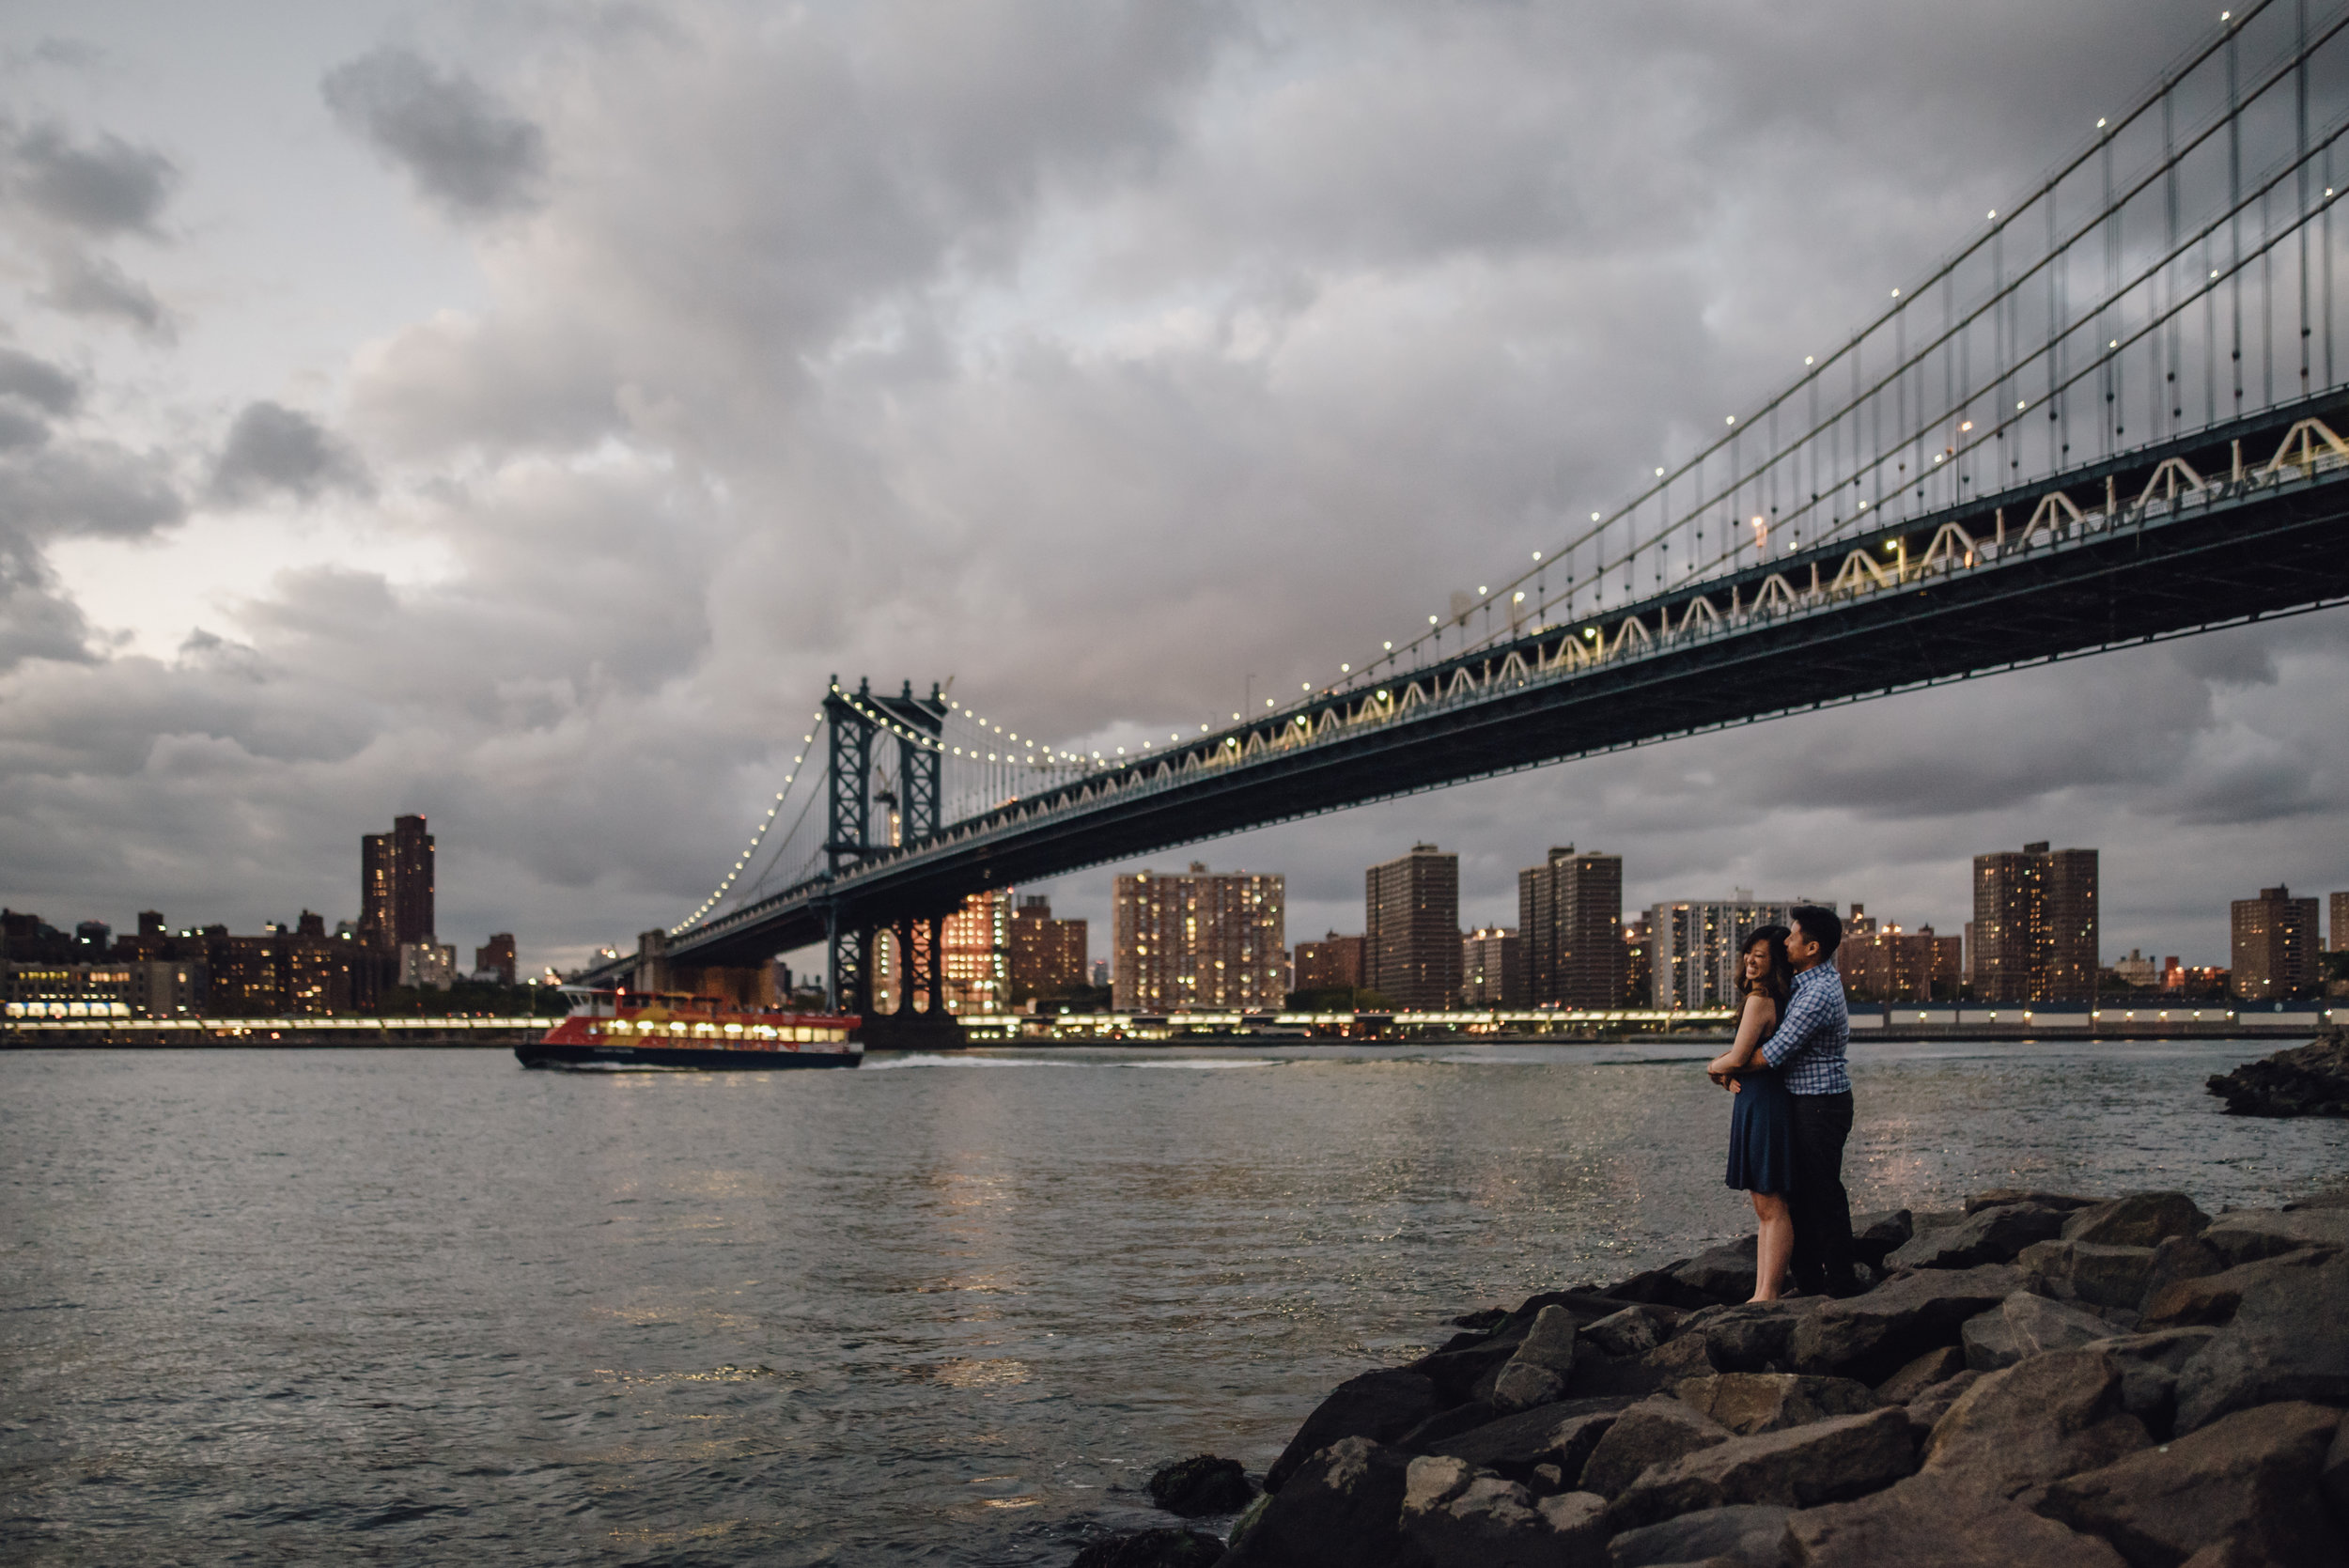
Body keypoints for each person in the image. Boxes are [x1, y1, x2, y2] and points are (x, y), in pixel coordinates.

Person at [1762, 904, 1858, 1296]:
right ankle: (1810, 1281)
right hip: (1810, 1101)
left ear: (1813, 947)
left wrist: (1725, 1066)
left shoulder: (1816, 993)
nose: (1785, 941)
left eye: (1793, 936)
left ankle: (1841, 1283)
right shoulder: (1806, 982)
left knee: (1821, 1192)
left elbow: (1774, 1052)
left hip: (1821, 1104)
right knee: (1801, 1191)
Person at [1707, 926, 1796, 1301]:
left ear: (1776, 961)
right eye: (1748, 953)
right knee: (1764, 1203)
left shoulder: (1761, 1001)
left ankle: (1769, 1293)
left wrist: (1713, 1067)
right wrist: (1726, 1077)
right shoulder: (1769, 998)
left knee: (1770, 1202)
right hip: (1759, 1098)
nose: (1750, 960)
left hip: (1764, 1103)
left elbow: (1739, 1057)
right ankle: (1762, 1291)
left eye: (1760, 955)